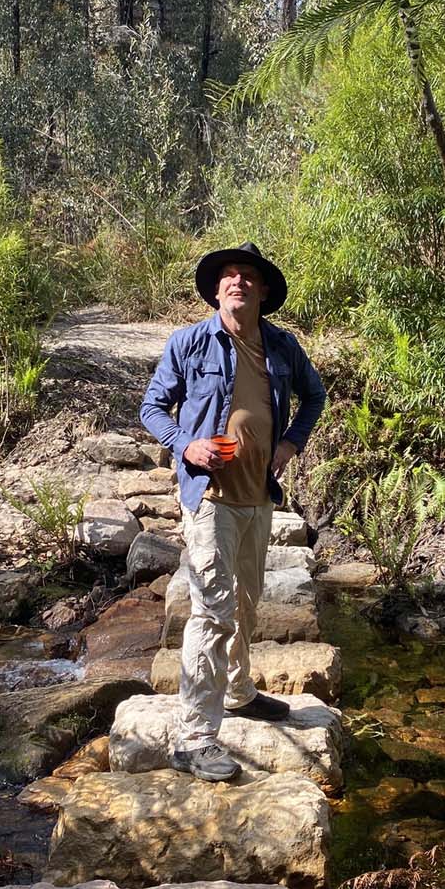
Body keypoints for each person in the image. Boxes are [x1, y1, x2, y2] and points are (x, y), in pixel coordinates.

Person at [140, 242, 327, 782]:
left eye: (248, 275)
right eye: (229, 275)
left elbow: (314, 397)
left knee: (246, 602)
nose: (238, 281)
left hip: (257, 496)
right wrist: (186, 445)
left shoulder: (282, 346)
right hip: (210, 498)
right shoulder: (190, 342)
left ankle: (239, 692)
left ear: (263, 291)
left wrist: (289, 444)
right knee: (213, 610)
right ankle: (194, 739)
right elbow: (152, 407)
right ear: (217, 289)